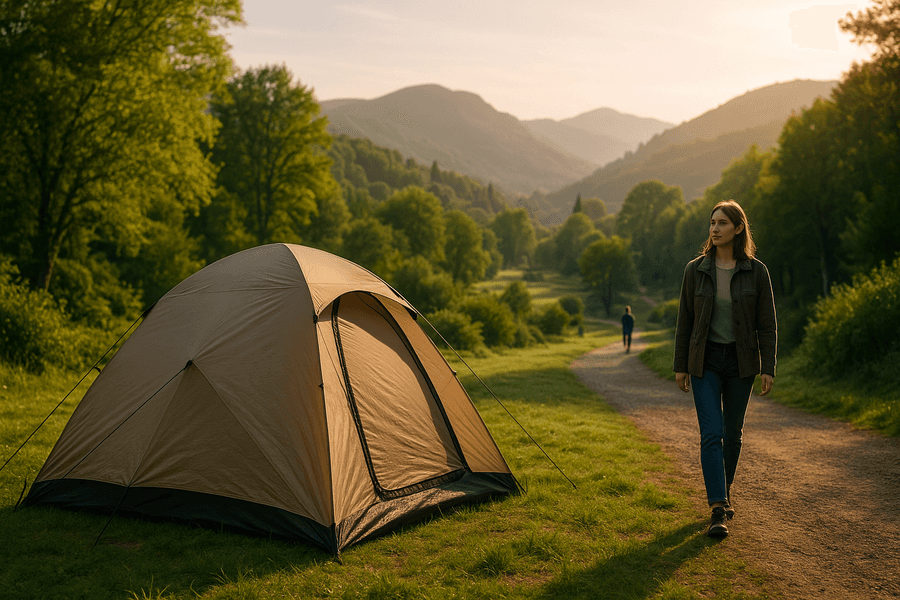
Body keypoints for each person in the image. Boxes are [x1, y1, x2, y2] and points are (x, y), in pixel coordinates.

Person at [673, 199, 776, 538]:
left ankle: (724, 489)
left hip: (741, 363)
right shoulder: (695, 270)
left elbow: (767, 325)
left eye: (722, 223)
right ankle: (718, 506)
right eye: (712, 223)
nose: (714, 228)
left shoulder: (756, 272)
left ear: (738, 228)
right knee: (711, 433)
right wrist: (680, 366)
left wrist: (768, 367)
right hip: (704, 361)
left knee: (733, 435)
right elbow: (684, 322)